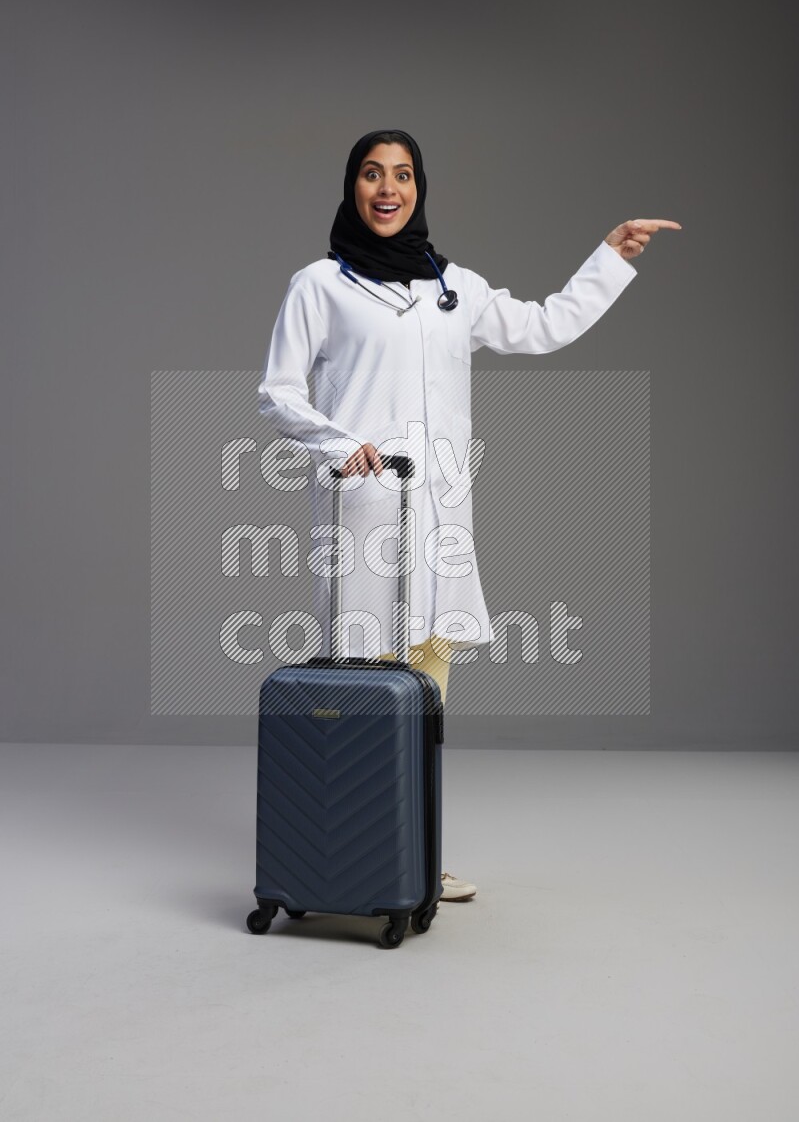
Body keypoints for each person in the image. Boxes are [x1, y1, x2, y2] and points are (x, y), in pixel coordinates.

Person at [258, 128, 681, 901]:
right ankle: (350, 860)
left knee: (425, 703)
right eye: (372, 174)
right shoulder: (319, 283)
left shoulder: (455, 288)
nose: (389, 188)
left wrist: (611, 255)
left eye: (404, 175)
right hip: (362, 516)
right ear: (352, 187)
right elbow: (279, 392)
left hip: (440, 520)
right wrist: (338, 440)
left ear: (421, 189)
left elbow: (545, 325)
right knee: (361, 696)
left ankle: (412, 856)